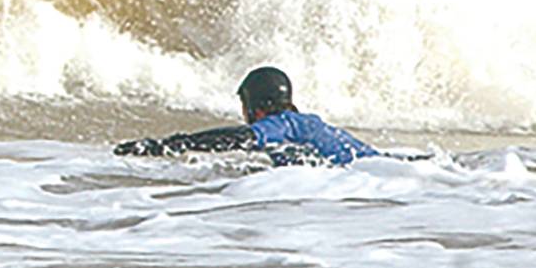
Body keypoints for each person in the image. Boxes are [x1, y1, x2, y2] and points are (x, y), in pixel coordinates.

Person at [114, 66, 376, 167]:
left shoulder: (282, 124)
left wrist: (171, 144)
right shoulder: (304, 125)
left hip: (383, 176)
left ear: (255, 106)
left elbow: (242, 137)